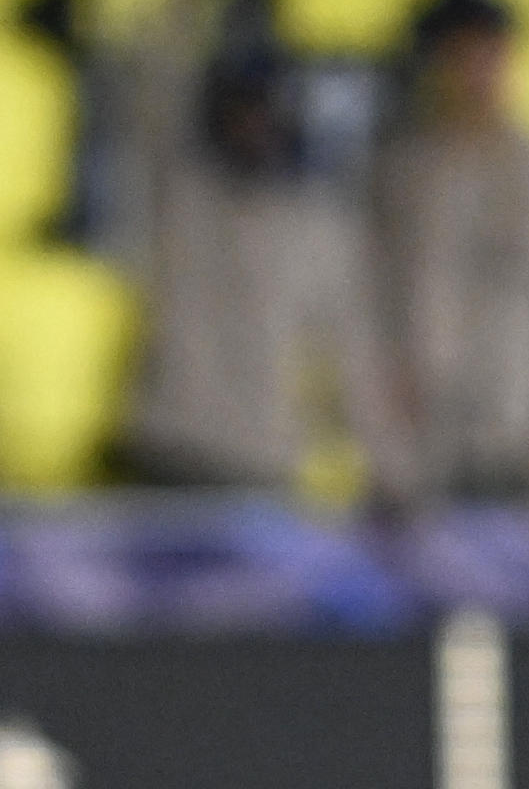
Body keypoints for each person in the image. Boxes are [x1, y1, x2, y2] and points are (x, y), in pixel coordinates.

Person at [123, 48, 415, 498]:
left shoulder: (319, 223)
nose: (253, 125)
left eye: (265, 112)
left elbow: (354, 353)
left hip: (256, 464)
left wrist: (389, 468)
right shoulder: (182, 194)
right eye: (242, 111)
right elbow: (150, 97)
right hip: (166, 449)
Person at [374, 0, 529, 498]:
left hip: (517, 428)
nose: (475, 73)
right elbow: (373, 304)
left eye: (487, 55)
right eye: (460, 56)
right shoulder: (402, 175)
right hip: (424, 434)